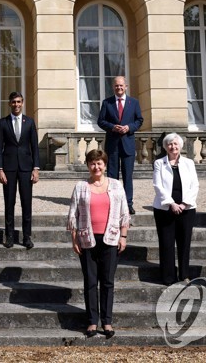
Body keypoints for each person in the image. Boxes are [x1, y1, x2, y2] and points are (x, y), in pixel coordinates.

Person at [67, 148, 130, 339]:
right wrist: (74, 238)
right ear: (88, 165)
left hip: (110, 238)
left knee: (108, 282)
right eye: (93, 163)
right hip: (87, 239)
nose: (96, 167)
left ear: (105, 165)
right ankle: (92, 321)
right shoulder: (80, 187)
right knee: (91, 282)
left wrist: (123, 236)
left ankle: (107, 321)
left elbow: (124, 212)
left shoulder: (116, 185)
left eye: (99, 163)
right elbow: (72, 214)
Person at [0, 91, 40, 249]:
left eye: (19, 102)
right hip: (9, 168)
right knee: (9, 203)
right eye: (13, 102)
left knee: (27, 203)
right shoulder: (3, 122)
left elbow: (34, 146)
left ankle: (27, 236)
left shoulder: (29, 122)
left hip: (27, 168)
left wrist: (36, 168)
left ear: (23, 102)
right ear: (9, 104)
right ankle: (10, 236)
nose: (16, 105)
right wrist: (0, 169)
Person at [152, 133, 199, 285]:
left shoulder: (189, 163)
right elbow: (158, 185)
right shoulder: (159, 163)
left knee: (184, 242)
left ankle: (184, 274)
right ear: (165, 147)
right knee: (166, 243)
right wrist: (171, 203)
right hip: (165, 209)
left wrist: (185, 204)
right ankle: (168, 276)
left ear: (180, 146)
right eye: (169, 144)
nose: (173, 147)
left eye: (175, 144)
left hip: (187, 208)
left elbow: (195, 185)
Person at [97, 76, 144, 215]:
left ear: (126, 86)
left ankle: (128, 204)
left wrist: (129, 127)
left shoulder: (134, 102)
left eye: (121, 86)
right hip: (112, 145)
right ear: (113, 87)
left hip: (128, 144)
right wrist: (112, 127)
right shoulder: (107, 102)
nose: (119, 88)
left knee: (127, 176)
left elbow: (139, 120)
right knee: (112, 177)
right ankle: (113, 203)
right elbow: (101, 121)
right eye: (116, 86)